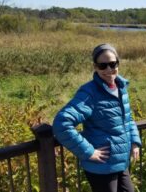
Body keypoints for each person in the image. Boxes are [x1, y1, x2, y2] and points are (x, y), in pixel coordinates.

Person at [53, 43, 141, 192]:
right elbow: (62, 123)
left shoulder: (121, 87)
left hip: (120, 161)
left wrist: (134, 142)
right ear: (95, 67)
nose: (109, 70)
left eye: (113, 64)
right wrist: (88, 151)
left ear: (118, 64)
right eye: (103, 66)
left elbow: (128, 118)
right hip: (101, 166)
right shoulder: (90, 93)